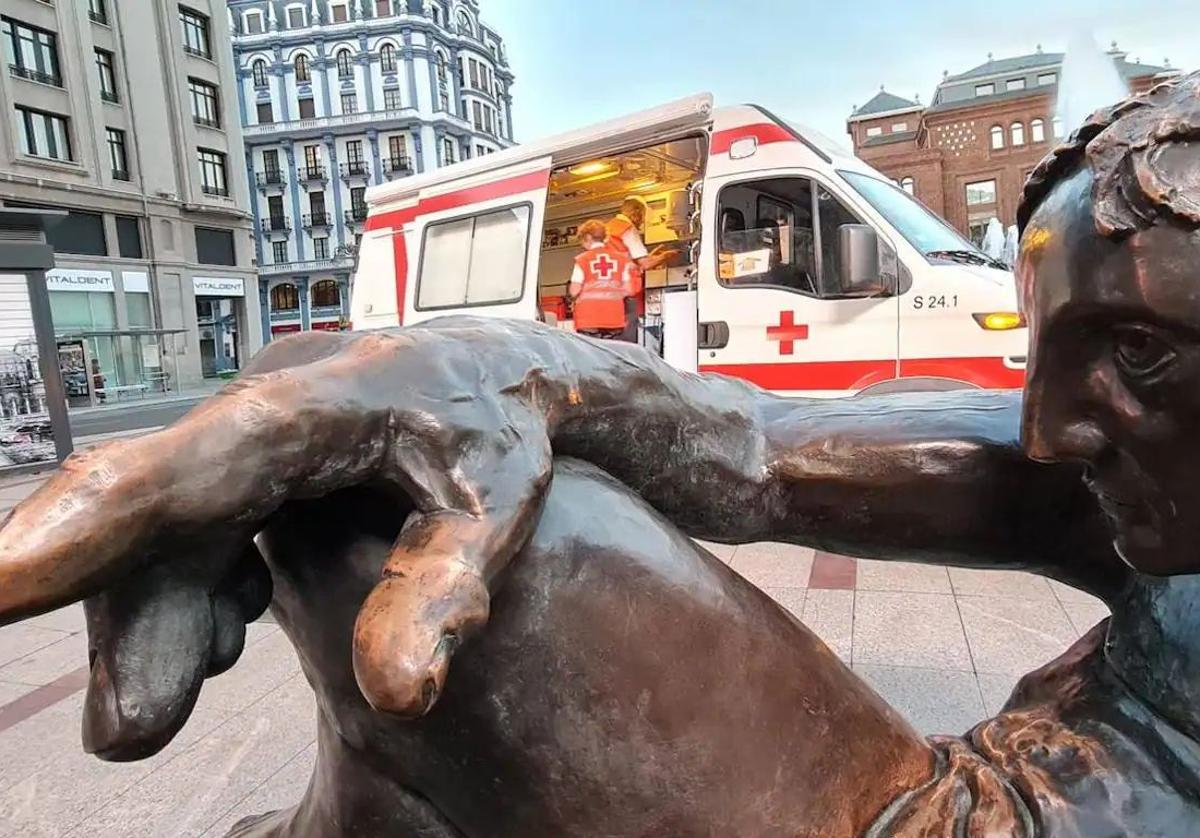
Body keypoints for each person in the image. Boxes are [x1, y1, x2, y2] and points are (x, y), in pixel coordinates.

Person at [605, 197, 679, 342]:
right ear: (636, 213)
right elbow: (644, 264)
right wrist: (665, 256)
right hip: (624, 298)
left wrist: (650, 256)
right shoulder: (627, 228)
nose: (642, 222)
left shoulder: (608, 229)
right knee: (628, 345)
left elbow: (622, 262)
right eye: (643, 217)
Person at [568, 219, 641, 341]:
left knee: (591, 355)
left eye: (582, 241)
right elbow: (629, 290)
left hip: (588, 319)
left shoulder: (582, 260)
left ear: (588, 237)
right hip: (614, 318)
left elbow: (574, 291)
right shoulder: (621, 259)